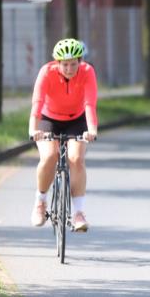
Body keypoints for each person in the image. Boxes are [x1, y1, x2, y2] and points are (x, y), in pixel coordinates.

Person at [29, 38, 98, 232]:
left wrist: (92, 129)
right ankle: (40, 202)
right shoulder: (46, 72)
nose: (69, 69)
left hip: (76, 119)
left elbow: (90, 104)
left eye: (73, 64)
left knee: (76, 159)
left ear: (80, 61)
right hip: (48, 118)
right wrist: (33, 130)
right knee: (50, 156)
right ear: (57, 63)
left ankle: (78, 213)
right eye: (65, 65)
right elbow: (37, 103)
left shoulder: (87, 72)